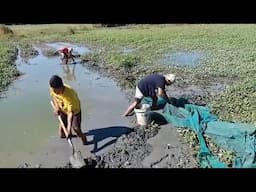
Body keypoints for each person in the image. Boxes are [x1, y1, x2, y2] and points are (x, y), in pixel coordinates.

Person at [49, 75, 87, 145]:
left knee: (76, 129)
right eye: (53, 90)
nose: (54, 91)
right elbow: (54, 97)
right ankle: (68, 138)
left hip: (74, 111)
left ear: (61, 87)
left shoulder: (70, 94)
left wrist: (69, 129)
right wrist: (57, 107)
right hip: (63, 108)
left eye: (56, 90)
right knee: (62, 133)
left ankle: (84, 139)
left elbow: (70, 113)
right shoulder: (53, 88)